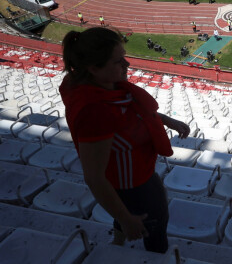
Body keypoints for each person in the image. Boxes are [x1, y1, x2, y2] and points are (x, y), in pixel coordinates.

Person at [59, 27, 190, 253]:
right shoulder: (95, 112)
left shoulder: (103, 88)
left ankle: (117, 243)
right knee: (156, 230)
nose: (127, 65)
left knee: (143, 216)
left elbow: (127, 117)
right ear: (93, 68)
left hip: (133, 176)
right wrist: (127, 219)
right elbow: (94, 177)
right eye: (118, 61)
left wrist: (167, 120)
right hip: (133, 184)